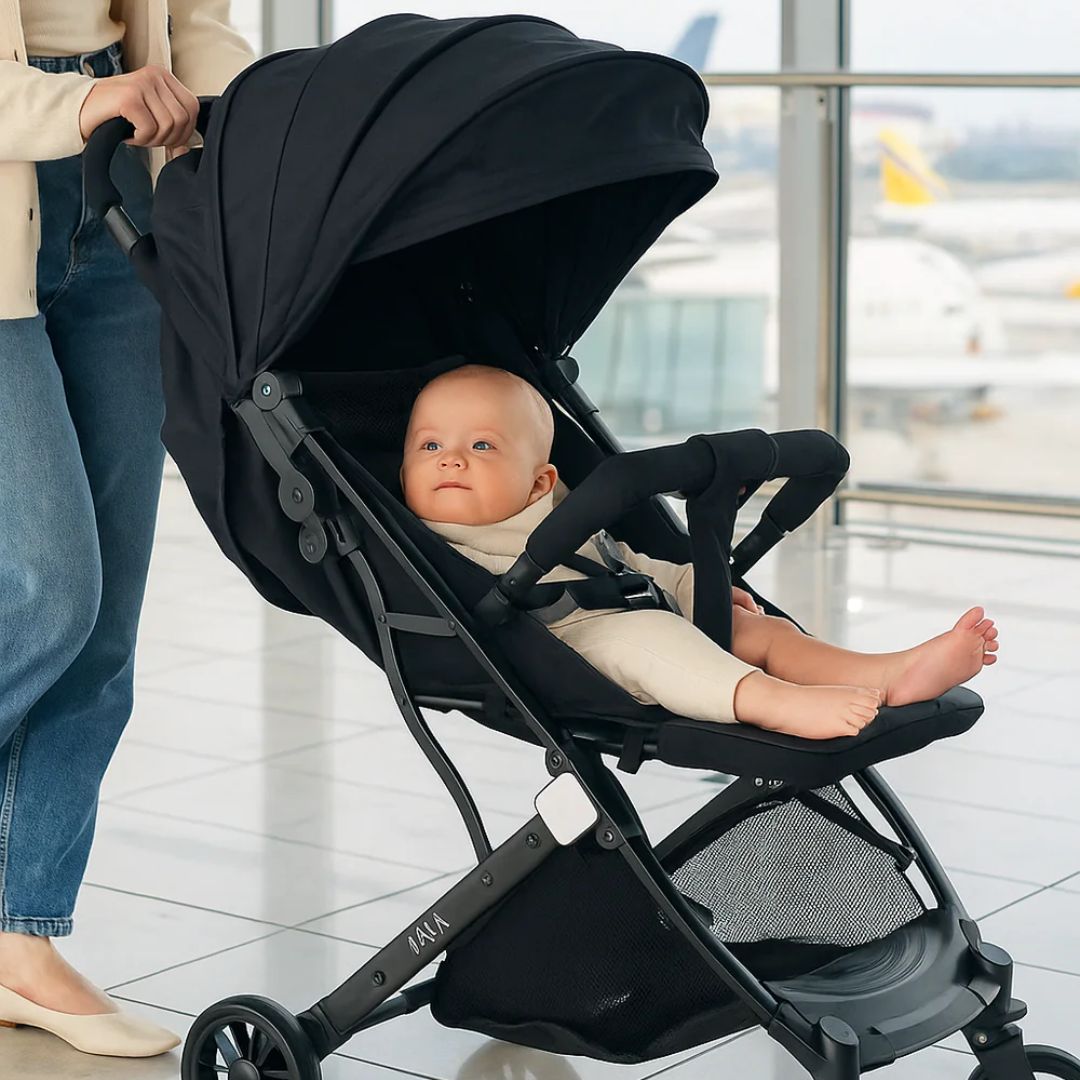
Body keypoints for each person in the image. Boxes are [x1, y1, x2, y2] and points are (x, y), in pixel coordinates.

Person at [0, 0, 253, 1059]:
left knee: (105, 634)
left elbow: (193, 17)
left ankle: (20, 936)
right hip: (37, 140)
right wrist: (81, 100)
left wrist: (246, 106)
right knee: (53, 591)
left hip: (121, 200)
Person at [402, 365, 1000, 737]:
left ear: (538, 481)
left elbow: (627, 563)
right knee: (653, 640)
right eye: (429, 445)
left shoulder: (559, 512)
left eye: (482, 445)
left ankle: (887, 675)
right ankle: (778, 703)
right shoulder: (432, 543)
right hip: (562, 646)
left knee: (754, 629)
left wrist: (692, 586)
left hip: (630, 609)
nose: (450, 458)